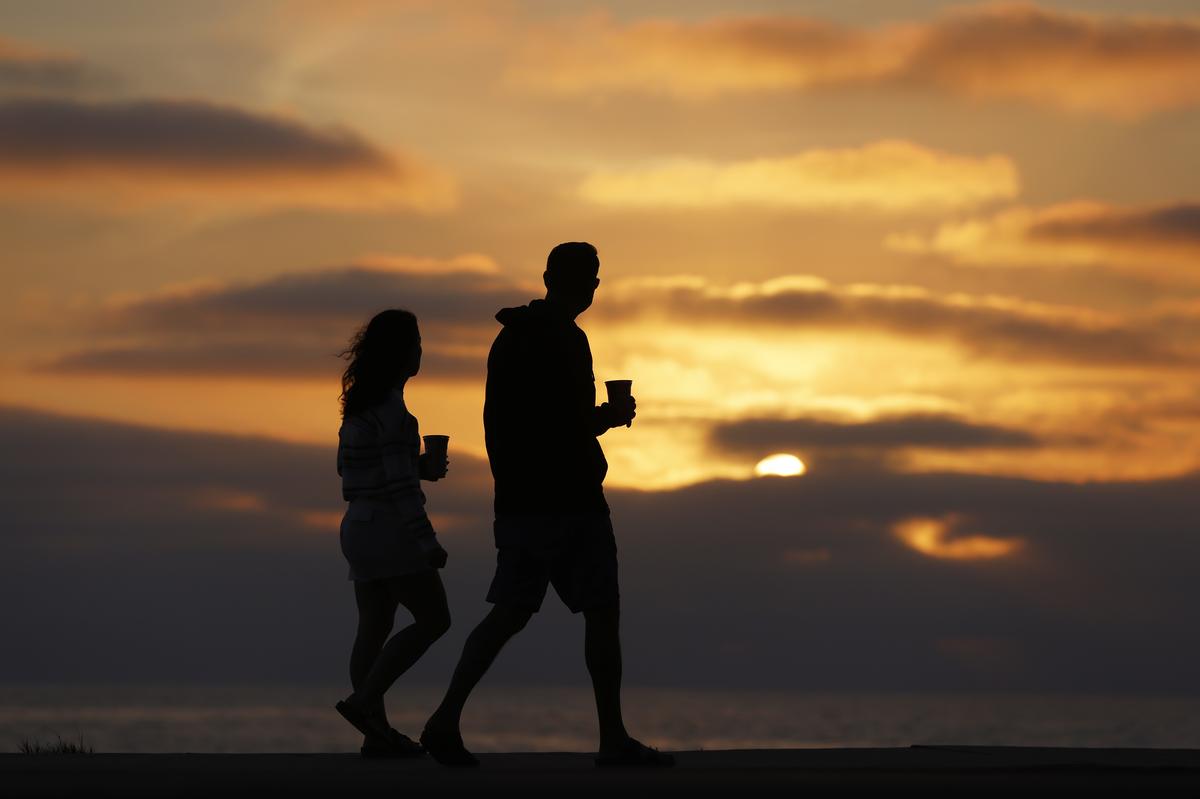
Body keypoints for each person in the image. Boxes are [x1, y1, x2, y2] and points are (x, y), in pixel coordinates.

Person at [420, 242, 674, 768]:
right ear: (586, 284)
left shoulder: (510, 338)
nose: (595, 286)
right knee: (601, 613)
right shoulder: (564, 339)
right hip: (571, 501)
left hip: (518, 501)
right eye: (593, 277)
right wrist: (610, 415)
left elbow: (513, 422)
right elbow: (565, 423)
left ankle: (445, 719)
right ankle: (613, 739)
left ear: (546, 277)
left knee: (508, 613)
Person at [333, 308, 453, 758]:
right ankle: (365, 705)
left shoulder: (360, 410)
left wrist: (417, 467)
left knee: (374, 626)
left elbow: (357, 472)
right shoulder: (396, 415)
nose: (422, 350)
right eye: (418, 342)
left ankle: (376, 734)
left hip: (357, 528)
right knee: (435, 619)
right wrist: (427, 541)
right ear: (405, 354)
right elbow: (400, 490)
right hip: (389, 529)